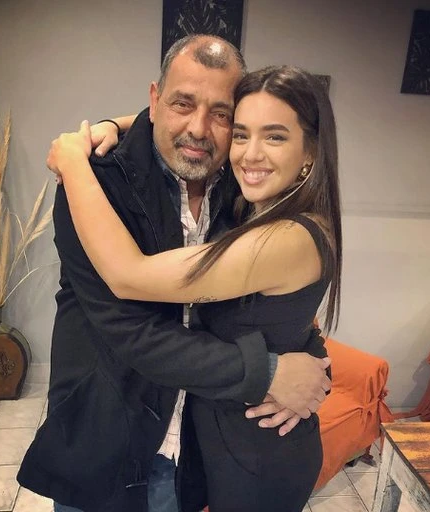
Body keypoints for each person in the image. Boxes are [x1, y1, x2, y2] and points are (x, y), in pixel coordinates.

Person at [18, 35, 331, 512]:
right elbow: (130, 328)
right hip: (106, 443)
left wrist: (314, 361)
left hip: (194, 453)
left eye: (222, 114)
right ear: (155, 99)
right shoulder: (94, 183)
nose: (199, 128)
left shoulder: (244, 190)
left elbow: (277, 310)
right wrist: (268, 372)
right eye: (182, 103)